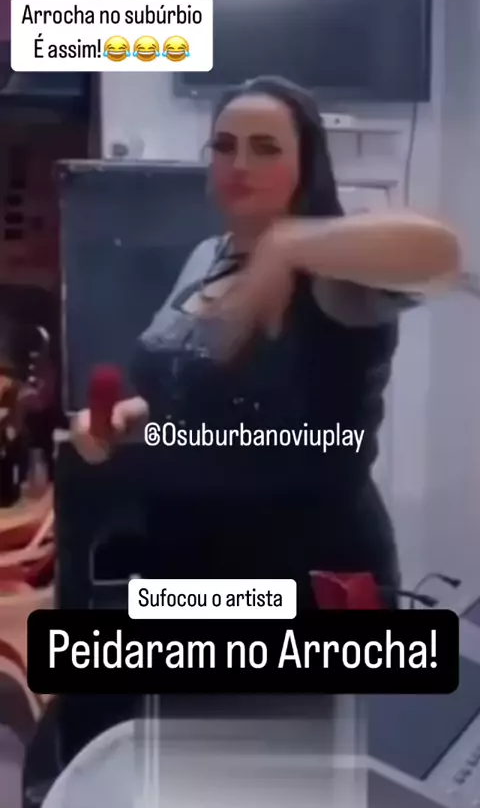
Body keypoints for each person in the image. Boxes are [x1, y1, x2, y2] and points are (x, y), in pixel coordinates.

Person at [72, 76, 459, 611]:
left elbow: (441, 253)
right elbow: (202, 389)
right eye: (224, 146)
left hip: (311, 575)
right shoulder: (208, 254)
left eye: (266, 147)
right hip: (198, 565)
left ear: (307, 164)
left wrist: (289, 242)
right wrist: (126, 417)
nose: (239, 164)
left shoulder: (331, 275)